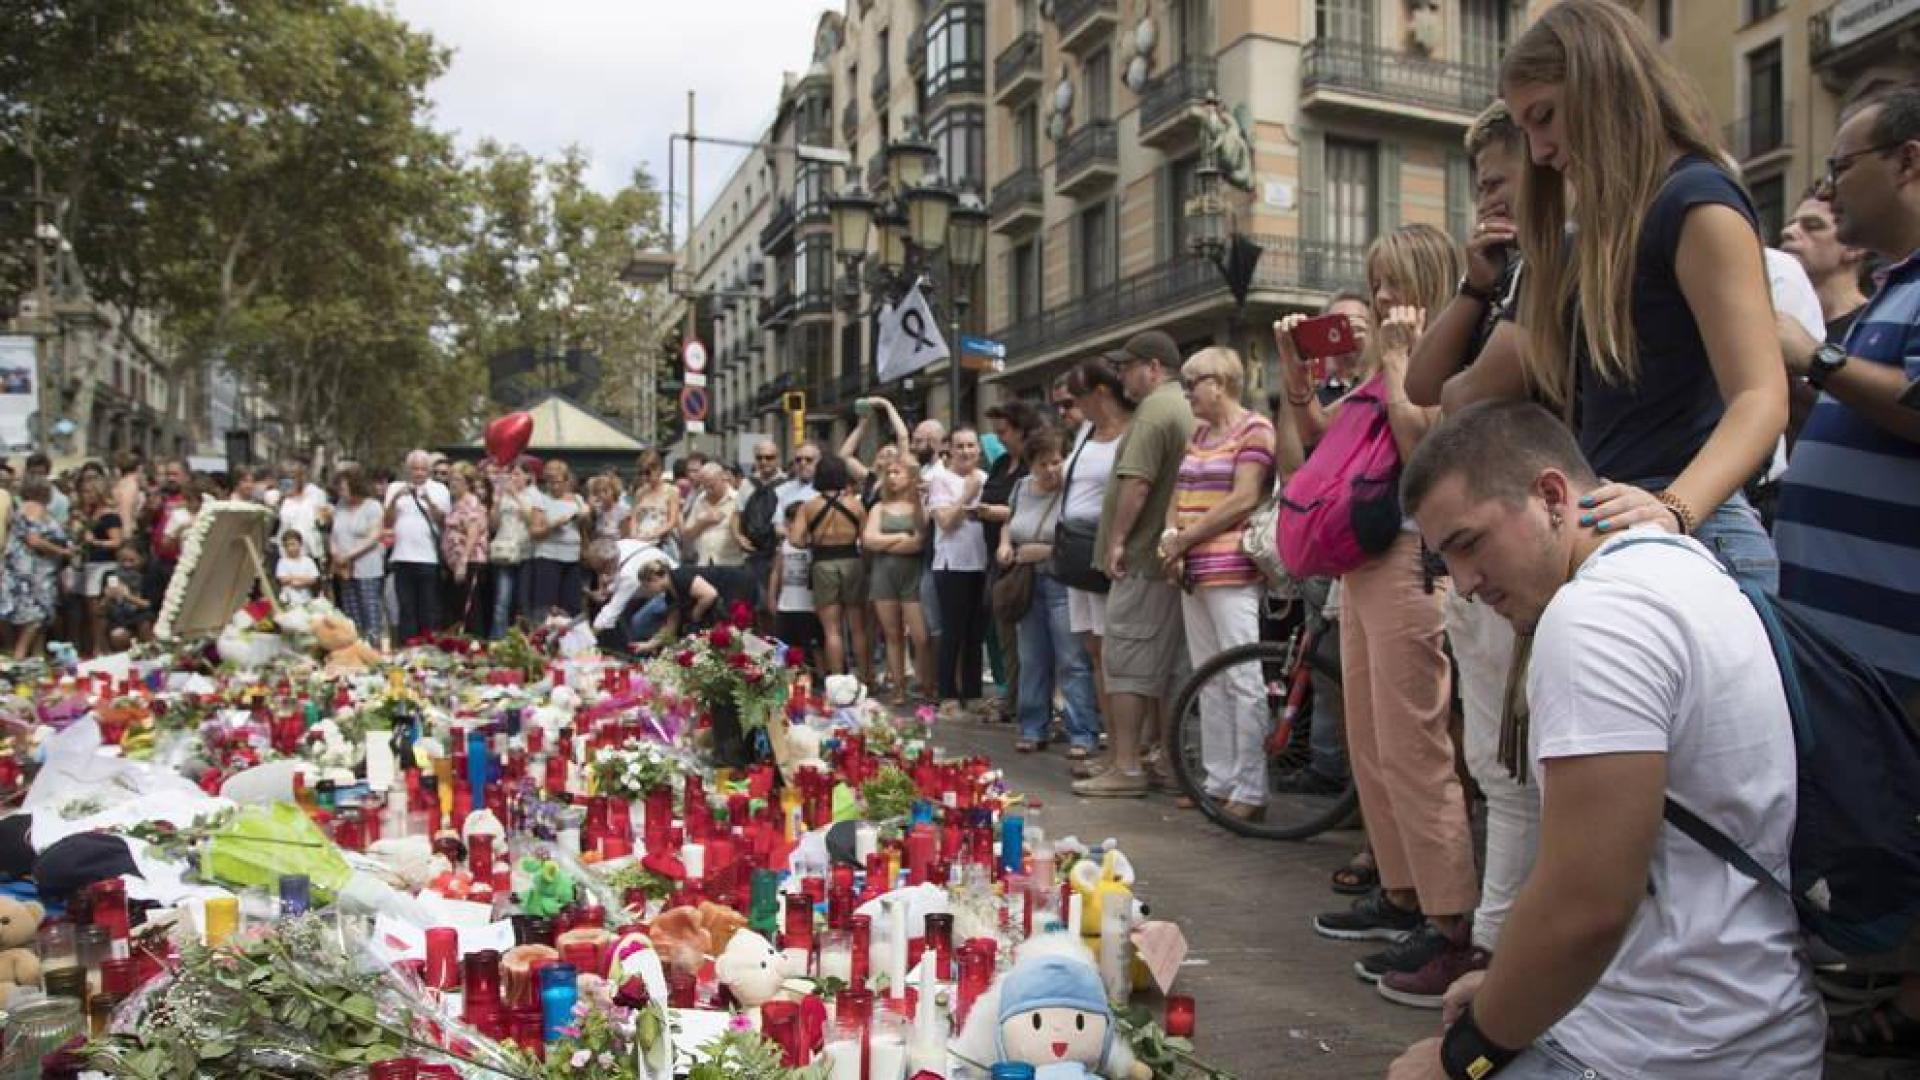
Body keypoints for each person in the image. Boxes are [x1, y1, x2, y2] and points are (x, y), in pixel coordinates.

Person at [1388, 399, 1822, 1080]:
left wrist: (1464, 1056)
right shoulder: (1683, 566)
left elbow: (1584, 906)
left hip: (1661, 1049)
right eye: (1448, 561)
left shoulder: (1594, 618)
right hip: (1741, 1021)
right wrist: (1510, 990)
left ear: (1552, 495)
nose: (1466, 586)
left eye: (1471, 544)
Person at [1444, 0, 1787, 594]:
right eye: (1526, 130)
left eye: (1545, 117)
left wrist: (1673, 509)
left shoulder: (1696, 201)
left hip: (1694, 538)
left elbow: (1761, 396)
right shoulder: (1596, 235)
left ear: (1601, 81)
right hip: (1619, 531)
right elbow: (1456, 397)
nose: (1540, 151)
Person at [1291, 225, 1480, 995]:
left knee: (1415, 747)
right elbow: (1317, 443)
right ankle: (1403, 896)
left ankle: (1449, 922)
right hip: (1363, 567)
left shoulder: (1448, 358)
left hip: (1410, 562)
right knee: (1372, 744)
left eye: (1395, 282)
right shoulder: (1378, 367)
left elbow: (1422, 449)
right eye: (1376, 282)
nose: (1381, 297)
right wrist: (1295, 373)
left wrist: (1402, 360)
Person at [1773, 90, 1920, 1054]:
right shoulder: (1894, 291)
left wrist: (1815, 357)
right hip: (1854, 638)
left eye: (1844, 165)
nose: (1829, 185)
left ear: (1908, 162)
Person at [1396, 101, 1542, 1001]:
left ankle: (1499, 948)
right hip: (1486, 547)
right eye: (1480, 184)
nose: (1487, 198)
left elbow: (1454, 394)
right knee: (1496, 760)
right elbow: (1426, 381)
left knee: (1524, 766)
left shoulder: (1562, 270)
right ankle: (1493, 940)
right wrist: (1475, 283)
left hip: (1532, 541)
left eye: (1500, 179)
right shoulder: (1505, 281)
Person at [1074, 330, 1195, 799]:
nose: (1122, 376)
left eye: (1127, 367)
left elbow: (1137, 483)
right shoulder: (1179, 407)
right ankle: (1161, 760)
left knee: (1125, 663)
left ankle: (1125, 767)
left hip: (1144, 559)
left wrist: (1117, 541)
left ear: (1154, 367)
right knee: (1161, 670)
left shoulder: (1154, 412)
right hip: (1162, 558)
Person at [1159, 347, 1277, 819]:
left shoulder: (1256, 429)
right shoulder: (1200, 434)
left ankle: (1250, 789)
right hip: (1194, 569)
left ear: (1221, 382)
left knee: (1242, 677)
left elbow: (1245, 497)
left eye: (1193, 382)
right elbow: (1179, 491)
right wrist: (1172, 540)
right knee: (1207, 678)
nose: (1187, 393)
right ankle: (1217, 778)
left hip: (1231, 568)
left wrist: (1183, 538)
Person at [998, 425, 1100, 755]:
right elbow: (1010, 521)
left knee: (1072, 658)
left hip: (1062, 579)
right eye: (1042, 463)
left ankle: (1082, 732)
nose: (1050, 470)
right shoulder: (1022, 488)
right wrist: (1005, 545)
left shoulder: (1074, 490)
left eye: (1056, 461)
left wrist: (1043, 551)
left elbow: (1082, 537)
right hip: (1027, 581)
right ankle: (1032, 727)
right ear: (1030, 465)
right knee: (1032, 658)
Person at [1058, 355, 1130, 772]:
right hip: (1075, 549)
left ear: (1100, 393)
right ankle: (1111, 744)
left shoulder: (1130, 431)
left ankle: (1126, 747)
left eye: (1076, 397)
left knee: (1114, 650)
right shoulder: (1086, 431)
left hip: (1105, 546)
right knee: (1093, 648)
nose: (1072, 407)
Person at [1781, 192, 1877, 452]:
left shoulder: (1876, 327)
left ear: (1853, 248)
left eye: (1813, 226)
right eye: (1791, 223)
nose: (1789, 232)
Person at [978, 401, 1041, 723]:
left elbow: (1025, 505)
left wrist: (994, 512)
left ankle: (1028, 702)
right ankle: (1011, 697)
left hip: (1026, 557)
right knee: (1004, 636)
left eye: (1003, 432)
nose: (999, 438)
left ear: (1020, 429)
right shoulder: (1002, 463)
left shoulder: (1035, 463)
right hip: (998, 556)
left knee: (1028, 639)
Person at [926, 427, 990, 722]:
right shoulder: (940, 479)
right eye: (960, 445)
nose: (966, 451)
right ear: (949, 450)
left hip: (980, 563)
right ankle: (948, 695)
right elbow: (946, 522)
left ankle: (974, 693)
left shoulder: (985, 479)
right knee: (953, 632)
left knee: (975, 633)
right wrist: (967, 494)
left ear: (979, 449)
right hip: (952, 565)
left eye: (971, 445)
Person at [791, 453, 870, 682]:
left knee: (831, 629)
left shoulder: (808, 507)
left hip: (823, 563)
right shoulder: (855, 505)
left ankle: (837, 681)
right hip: (852, 561)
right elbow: (866, 540)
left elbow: (795, 540)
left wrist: (812, 542)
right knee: (857, 627)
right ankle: (865, 678)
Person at [863, 451, 933, 706]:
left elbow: (918, 543)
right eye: (889, 473)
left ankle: (927, 683)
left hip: (912, 574)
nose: (892, 478)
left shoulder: (918, 507)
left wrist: (887, 544)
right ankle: (898, 686)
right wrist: (898, 539)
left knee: (920, 635)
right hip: (884, 575)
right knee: (892, 634)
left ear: (909, 476)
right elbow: (869, 540)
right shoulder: (878, 507)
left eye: (897, 472)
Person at [0, 479, 73, 658]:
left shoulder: (20, 510)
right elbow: (33, 540)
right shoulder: (33, 510)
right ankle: (19, 655)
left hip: (26, 571)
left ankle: (37, 657)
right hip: (33, 573)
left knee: (39, 620)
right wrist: (63, 551)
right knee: (36, 617)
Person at [383, 449, 449, 643]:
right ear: (407, 469)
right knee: (406, 607)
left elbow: (443, 521)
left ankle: (428, 645)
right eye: (414, 469)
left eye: (422, 469)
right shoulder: (395, 488)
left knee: (428, 606)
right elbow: (387, 521)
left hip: (428, 558)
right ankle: (407, 646)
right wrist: (396, 498)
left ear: (428, 470)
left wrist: (428, 500)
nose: (418, 473)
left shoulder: (439, 489)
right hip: (402, 557)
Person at [631, 558, 756, 651]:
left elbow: (709, 594)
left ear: (654, 578)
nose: (648, 590)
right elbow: (670, 626)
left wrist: (696, 614)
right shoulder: (671, 595)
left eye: (647, 586)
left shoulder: (680, 576)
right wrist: (648, 645)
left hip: (737, 588)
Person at [329, 468, 386, 645]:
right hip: (344, 568)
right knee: (350, 610)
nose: (341, 491)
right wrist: (335, 552)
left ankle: (373, 644)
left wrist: (350, 555)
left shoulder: (372, 507)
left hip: (366, 565)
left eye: (344, 487)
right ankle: (355, 644)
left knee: (369, 609)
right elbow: (334, 532)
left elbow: (374, 536)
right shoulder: (340, 506)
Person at [588, 536, 676, 651]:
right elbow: (617, 580)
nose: (601, 574)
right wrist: (608, 590)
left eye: (602, 570)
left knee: (638, 624)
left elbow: (611, 611)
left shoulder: (629, 574)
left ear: (610, 564)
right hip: (651, 589)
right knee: (626, 620)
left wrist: (588, 638)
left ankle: (646, 654)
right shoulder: (618, 546)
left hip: (669, 591)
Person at [527, 459, 587, 619]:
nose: (554, 486)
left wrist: (584, 518)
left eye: (558, 482)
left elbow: (585, 528)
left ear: (567, 481)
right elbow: (534, 532)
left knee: (572, 605)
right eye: (550, 482)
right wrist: (553, 525)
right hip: (548, 556)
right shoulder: (541, 500)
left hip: (572, 557)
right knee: (546, 605)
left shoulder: (578, 500)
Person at [769, 503, 822, 663]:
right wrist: (772, 597)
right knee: (784, 646)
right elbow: (776, 572)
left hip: (809, 606)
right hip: (787, 605)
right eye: (789, 521)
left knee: (815, 645)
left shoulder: (815, 545)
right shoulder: (784, 545)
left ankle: (820, 676)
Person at [74, 476, 122, 656]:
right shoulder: (89, 516)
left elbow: (116, 541)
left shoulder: (109, 516)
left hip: (103, 564)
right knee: (90, 609)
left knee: (99, 609)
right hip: (89, 564)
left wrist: (95, 542)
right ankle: (95, 645)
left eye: (88, 492)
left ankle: (102, 647)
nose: (84, 496)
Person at [489, 458, 536, 637]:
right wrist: (496, 502)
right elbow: (493, 525)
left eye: (517, 474)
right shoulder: (502, 496)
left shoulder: (533, 496)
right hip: (504, 552)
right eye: (511, 474)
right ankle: (498, 639)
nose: (513, 478)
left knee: (522, 601)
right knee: (502, 600)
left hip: (525, 552)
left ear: (527, 477)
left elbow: (532, 520)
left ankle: (524, 640)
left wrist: (516, 496)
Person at [736, 439, 787, 601]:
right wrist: (739, 537)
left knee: (775, 600)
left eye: (769, 457)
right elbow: (737, 515)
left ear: (777, 458)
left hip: (777, 552)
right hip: (752, 553)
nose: (764, 461)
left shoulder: (788, 484)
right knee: (753, 600)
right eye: (759, 458)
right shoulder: (746, 484)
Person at [442, 464, 491, 632]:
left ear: (468, 483)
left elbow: (473, 532)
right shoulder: (456, 503)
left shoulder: (471, 502)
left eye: (457, 480)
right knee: (457, 607)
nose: (452, 484)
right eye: (451, 479)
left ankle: (474, 645)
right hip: (454, 564)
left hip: (470, 561)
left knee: (471, 608)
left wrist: (463, 560)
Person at [681, 463, 745, 568]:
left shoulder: (737, 499)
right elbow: (687, 534)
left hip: (731, 563)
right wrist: (703, 523)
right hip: (704, 563)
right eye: (705, 486)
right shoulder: (700, 499)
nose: (708, 490)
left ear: (723, 478)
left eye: (712, 486)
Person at [274, 459, 331, 568]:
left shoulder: (315, 493)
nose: (288, 482)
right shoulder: (280, 499)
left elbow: (323, 521)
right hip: (286, 555)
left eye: (292, 477)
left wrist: (326, 517)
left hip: (311, 553)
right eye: (285, 478)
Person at [628, 449, 683, 560]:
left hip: (662, 541)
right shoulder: (640, 492)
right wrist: (634, 535)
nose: (644, 477)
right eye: (641, 473)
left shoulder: (672, 491)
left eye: (648, 473)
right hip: (640, 540)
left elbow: (672, 521)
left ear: (658, 469)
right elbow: (634, 518)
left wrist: (653, 535)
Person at [101, 543, 156, 650]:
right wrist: (107, 597)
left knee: (145, 622)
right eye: (123, 561)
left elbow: (149, 604)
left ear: (142, 559)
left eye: (132, 561)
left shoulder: (148, 576)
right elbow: (100, 608)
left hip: (141, 615)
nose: (127, 565)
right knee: (118, 635)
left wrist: (127, 596)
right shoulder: (110, 576)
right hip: (119, 618)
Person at [275, 531, 321, 607]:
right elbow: (282, 579)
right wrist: (303, 577)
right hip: (289, 601)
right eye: (287, 545)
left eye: (293, 544)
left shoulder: (308, 561)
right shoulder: (282, 562)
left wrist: (293, 578)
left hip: (307, 599)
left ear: (300, 544)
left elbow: (313, 579)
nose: (290, 548)